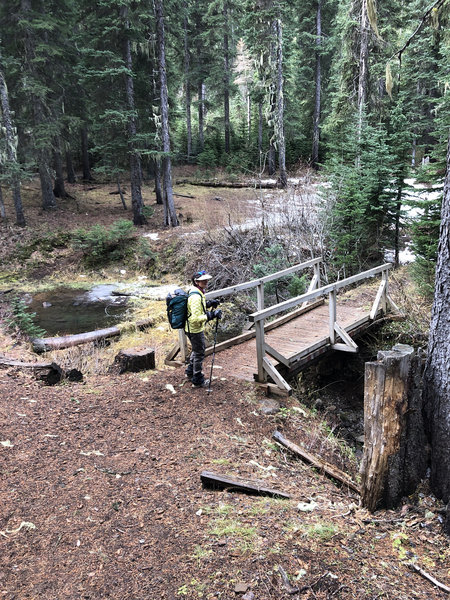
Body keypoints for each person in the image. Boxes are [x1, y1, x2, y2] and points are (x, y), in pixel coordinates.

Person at [185, 270, 222, 388]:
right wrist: (212, 315)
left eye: (206, 279)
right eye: (203, 280)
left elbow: (198, 307)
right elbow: (195, 318)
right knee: (200, 353)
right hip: (194, 329)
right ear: (196, 282)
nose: (206, 281)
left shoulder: (197, 292)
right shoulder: (196, 296)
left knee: (196, 351)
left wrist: (210, 304)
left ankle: (190, 371)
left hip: (191, 328)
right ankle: (197, 379)